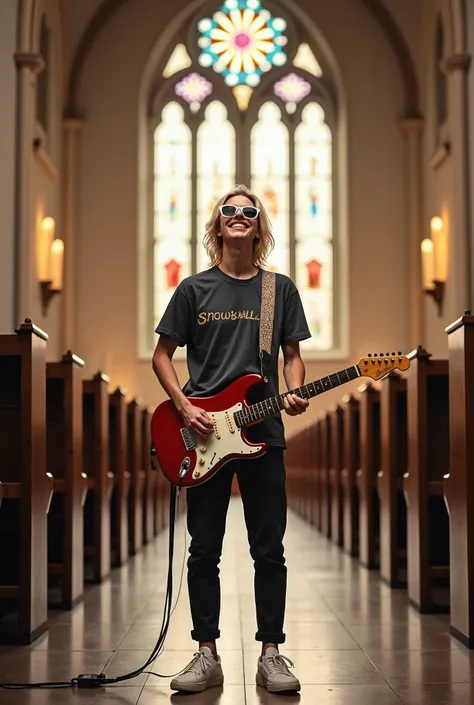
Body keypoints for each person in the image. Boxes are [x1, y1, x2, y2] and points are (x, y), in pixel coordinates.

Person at [152, 184, 311, 694]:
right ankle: (206, 652)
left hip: (264, 430)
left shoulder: (279, 289)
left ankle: (271, 653)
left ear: (259, 227)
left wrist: (294, 390)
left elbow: (291, 356)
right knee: (204, 549)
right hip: (203, 435)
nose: (239, 216)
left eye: (249, 211)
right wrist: (184, 405)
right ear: (217, 225)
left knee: (269, 548)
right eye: (229, 210)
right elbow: (162, 356)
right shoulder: (193, 289)